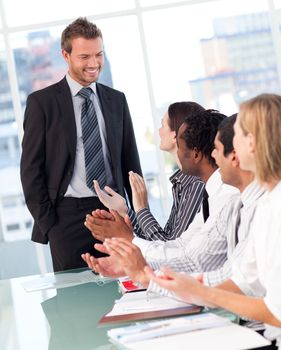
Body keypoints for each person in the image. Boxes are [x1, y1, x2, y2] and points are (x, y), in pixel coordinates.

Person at [146, 94, 281, 349]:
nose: (216, 150)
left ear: (250, 144)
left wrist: (200, 293)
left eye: (236, 135)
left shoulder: (273, 206)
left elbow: (276, 312)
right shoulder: (265, 204)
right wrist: (172, 285)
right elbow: (243, 279)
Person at [20, 17, 142, 272]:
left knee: (122, 289)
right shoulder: (42, 103)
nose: (94, 63)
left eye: (99, 55)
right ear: (65, 55)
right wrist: (50, 224)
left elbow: (131, 162)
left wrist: (135, 216)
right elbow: (31, 170)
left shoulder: (116, 100)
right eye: (84, 56)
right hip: (67, 218)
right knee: (73, 297)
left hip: (113, 212)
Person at [84, 109, 237, 262]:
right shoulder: (204, 191)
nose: (158, 131)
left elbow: (184, 255)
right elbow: (178, 246)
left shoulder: (215, 193)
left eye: (180, 144)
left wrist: (130, 234)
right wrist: (126, 217)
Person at [93, 102, 205, 241]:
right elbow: (161, 242)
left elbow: (168, 248)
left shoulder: (196, 184)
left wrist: (142, 208)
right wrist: (125, 210)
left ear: (175, 135)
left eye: (163, 125)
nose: (159, 131)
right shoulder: (182, 182)